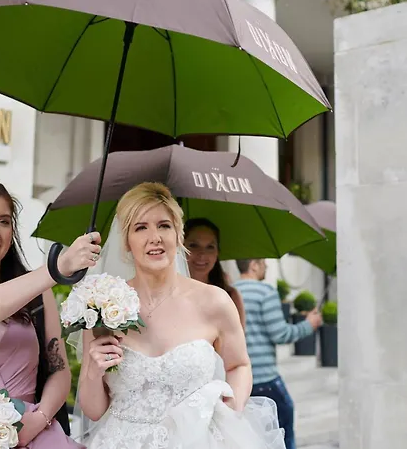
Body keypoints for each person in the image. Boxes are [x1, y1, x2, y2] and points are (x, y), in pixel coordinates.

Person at [76, 182, 286, 449]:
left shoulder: (215, 301)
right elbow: (94, 411)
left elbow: (239, 366)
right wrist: (94, 372)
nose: (155, 237)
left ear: (178, 234)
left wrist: (229, 411)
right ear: (126, 241)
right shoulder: (102, 306)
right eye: (141, 227)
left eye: (164, 225)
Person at [0, 177, 102, 448]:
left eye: (3, 221)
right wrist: (58, 267)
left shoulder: (38, 295)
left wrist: (39, 419)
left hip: (35, 434)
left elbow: (58, 370)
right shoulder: (40, 281)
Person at [233, 259, 323, 449]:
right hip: (265, 380)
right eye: (263, 262)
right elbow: (280, 334)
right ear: (254, 265)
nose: (267, 266)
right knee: (282, 434)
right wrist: (309, 324)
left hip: (238, 381)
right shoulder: (266, 292)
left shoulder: (229, 291)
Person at [183, 218, 246, 329]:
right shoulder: (164, 295)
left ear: (217, 252)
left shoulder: (230, 296)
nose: (202, 254)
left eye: (210, 247)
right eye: (194, 245)